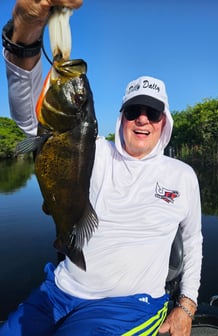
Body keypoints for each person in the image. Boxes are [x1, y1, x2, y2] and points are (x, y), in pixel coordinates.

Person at [1, 1, 203, 335]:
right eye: (134, 110)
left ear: (163, 123)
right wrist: (25, 31)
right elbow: (28, 119)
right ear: (120, 117)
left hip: (127, 306)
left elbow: (192, 240)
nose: (142, 119)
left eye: (152, 113)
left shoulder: (181, 175)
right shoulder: (93, 151)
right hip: (59, 289)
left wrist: (186, 305)